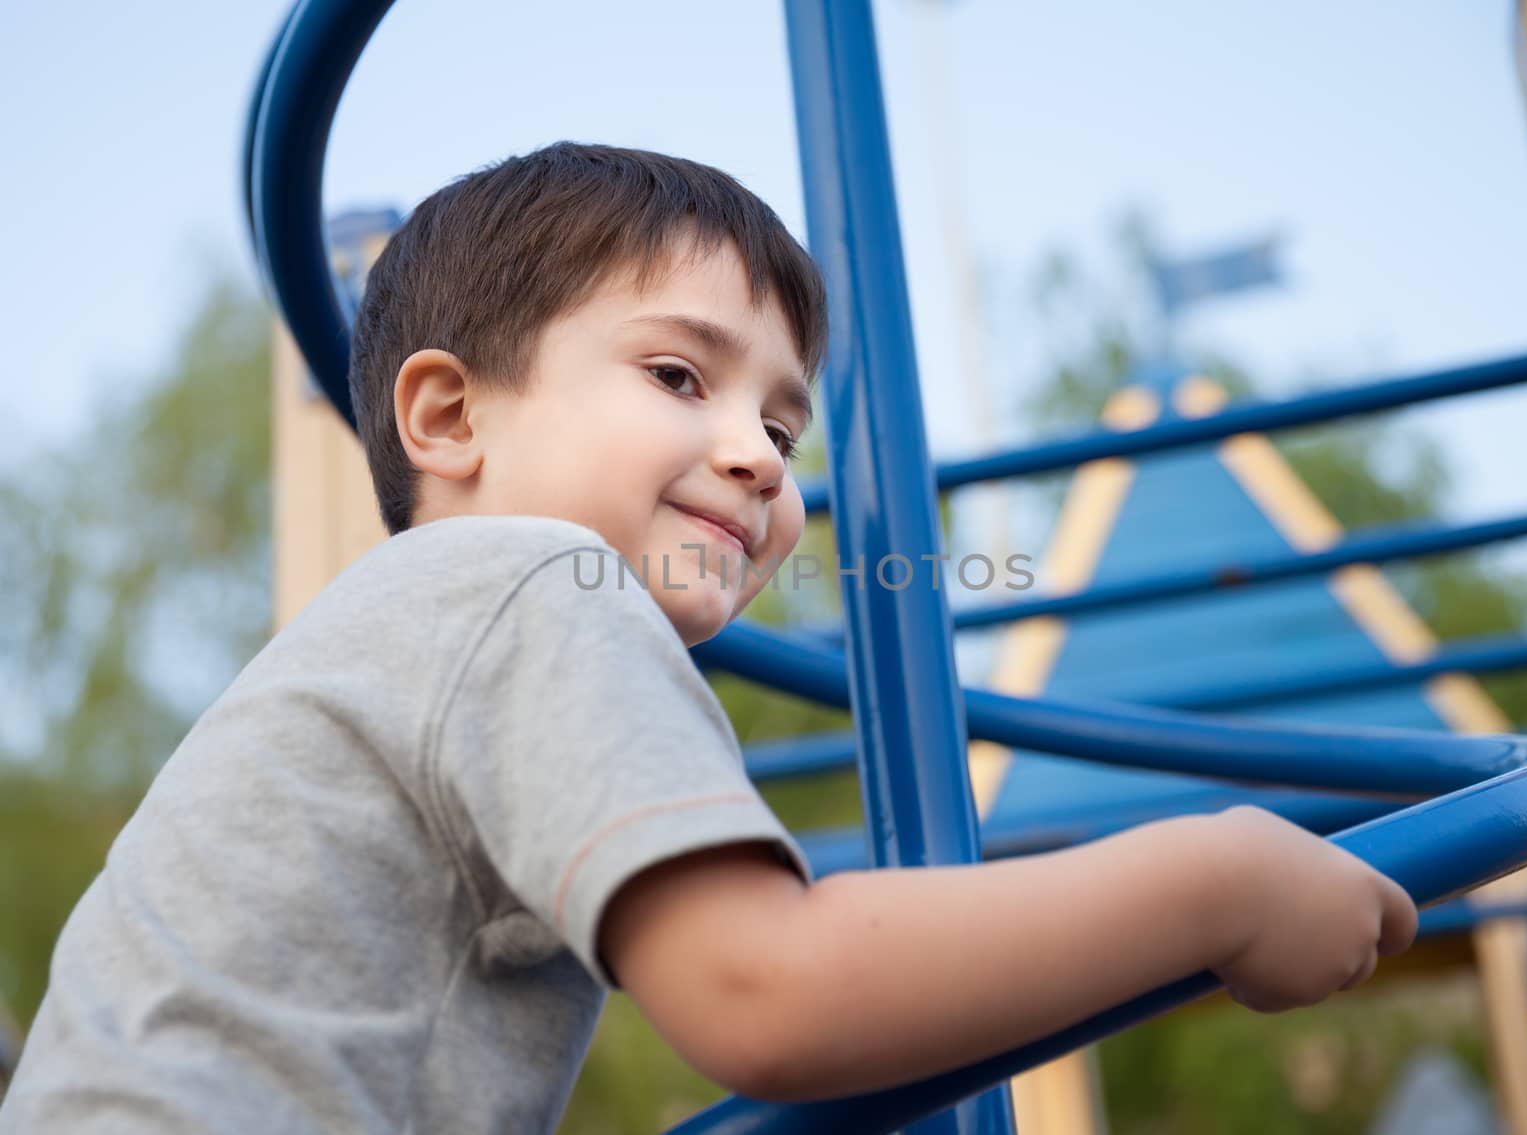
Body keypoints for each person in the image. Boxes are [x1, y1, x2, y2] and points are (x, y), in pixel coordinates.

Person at [0, 142, 1417, 1133]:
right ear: (449, 418)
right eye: (680, 375)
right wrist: (1212, 879)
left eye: (786, 426)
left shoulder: (397, 637)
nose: (755, 457)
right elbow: (767, 990)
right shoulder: (535, 587)